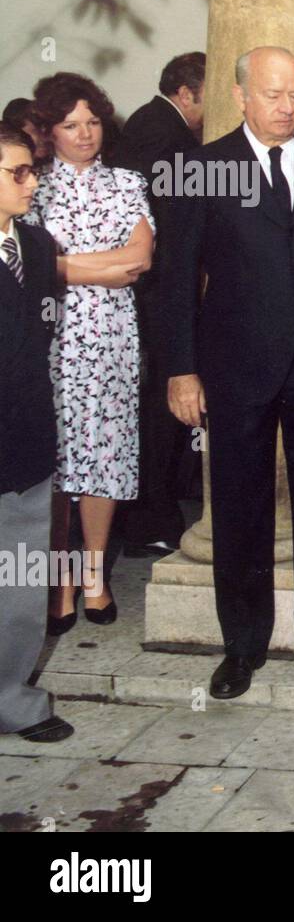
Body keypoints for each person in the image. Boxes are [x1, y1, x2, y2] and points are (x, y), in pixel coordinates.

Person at [160, 46, 294, 700]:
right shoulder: (204, 169)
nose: (287, 106)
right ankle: (241, 644)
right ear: (240, 97)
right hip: (235, 365)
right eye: (273, 94)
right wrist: (181, 369)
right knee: (238, 508)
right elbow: (178, 275)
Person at [26, 73, 155, 635]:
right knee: (56, 464)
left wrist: (73, 266)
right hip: (51, 342)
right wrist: (96, 267)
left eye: (93, 122)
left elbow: (139, 262)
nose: (84, 134)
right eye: (71, 125)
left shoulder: (127, 182)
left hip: (112, 343)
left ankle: (96, 576)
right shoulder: (33, 188)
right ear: (50, 131)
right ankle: (60, 585)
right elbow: (36, 269)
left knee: (106, 456)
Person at [114, 51, 207, 558]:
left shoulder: (156, 126)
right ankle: (149, 519)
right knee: (158, 409)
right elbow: (162, 220)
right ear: (187, 93)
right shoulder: (159, 131)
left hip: (159, 290)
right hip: (154, 294)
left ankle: (153, 514)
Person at [0, 124, 74, 743]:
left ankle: (14, 699)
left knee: (21, 578)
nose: (32, 182)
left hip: (25, 438)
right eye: (17, 172)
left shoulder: (39, 246)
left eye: (33, 170)